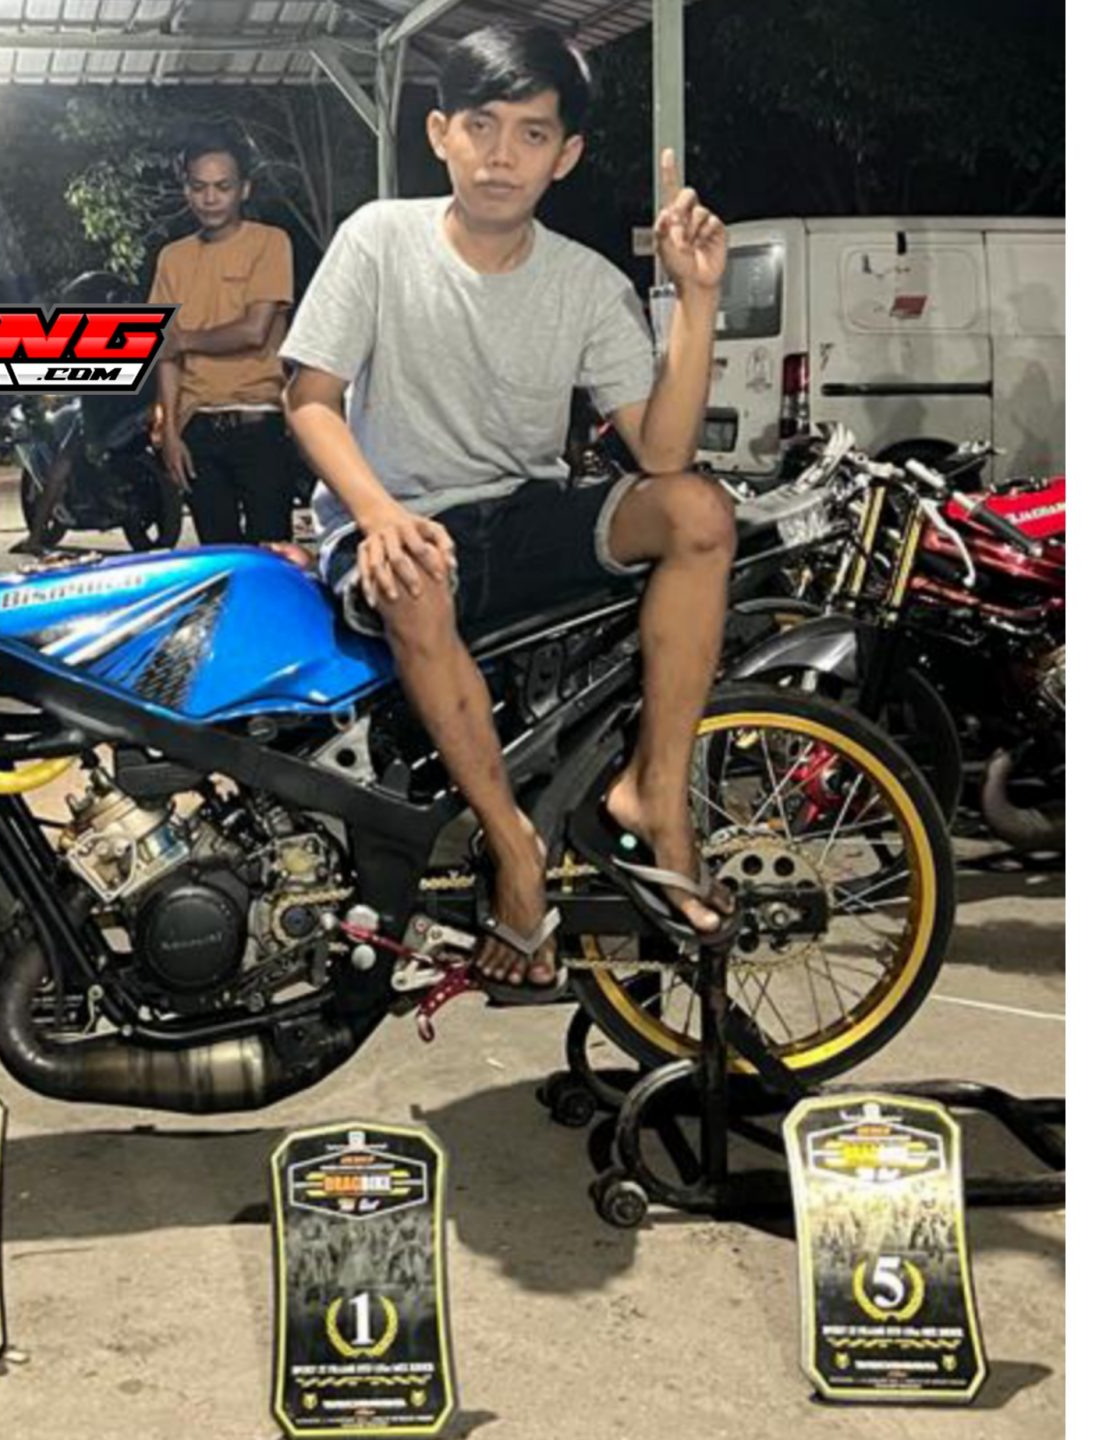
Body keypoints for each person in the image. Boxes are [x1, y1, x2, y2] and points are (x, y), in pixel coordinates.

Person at [281, 25, 736, 997]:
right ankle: (513, 847)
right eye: (480, 126)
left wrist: (697, 302)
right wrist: (377, 515)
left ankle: (655, 790)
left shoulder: (587, 283)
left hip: (516, 520)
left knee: (698, 511)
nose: (500, 155)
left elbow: (660, 454)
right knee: (414, 573)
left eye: (531, 134)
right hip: (388, 523)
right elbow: (309, 398)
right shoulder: (378, 238)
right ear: (439, 133)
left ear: (564, 156)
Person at [149, 128, 299, 545]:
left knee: (270, 557)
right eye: (199, 187)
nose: (210, 198)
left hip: (259, 424)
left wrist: (183, 339)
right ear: (186, 191)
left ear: (244, 189)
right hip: (197, 430)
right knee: (218, 557)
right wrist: (170, 434)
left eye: (223, 187)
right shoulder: (172, 259)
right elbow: (166, 355)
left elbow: (254, 330)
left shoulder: (270, 243)